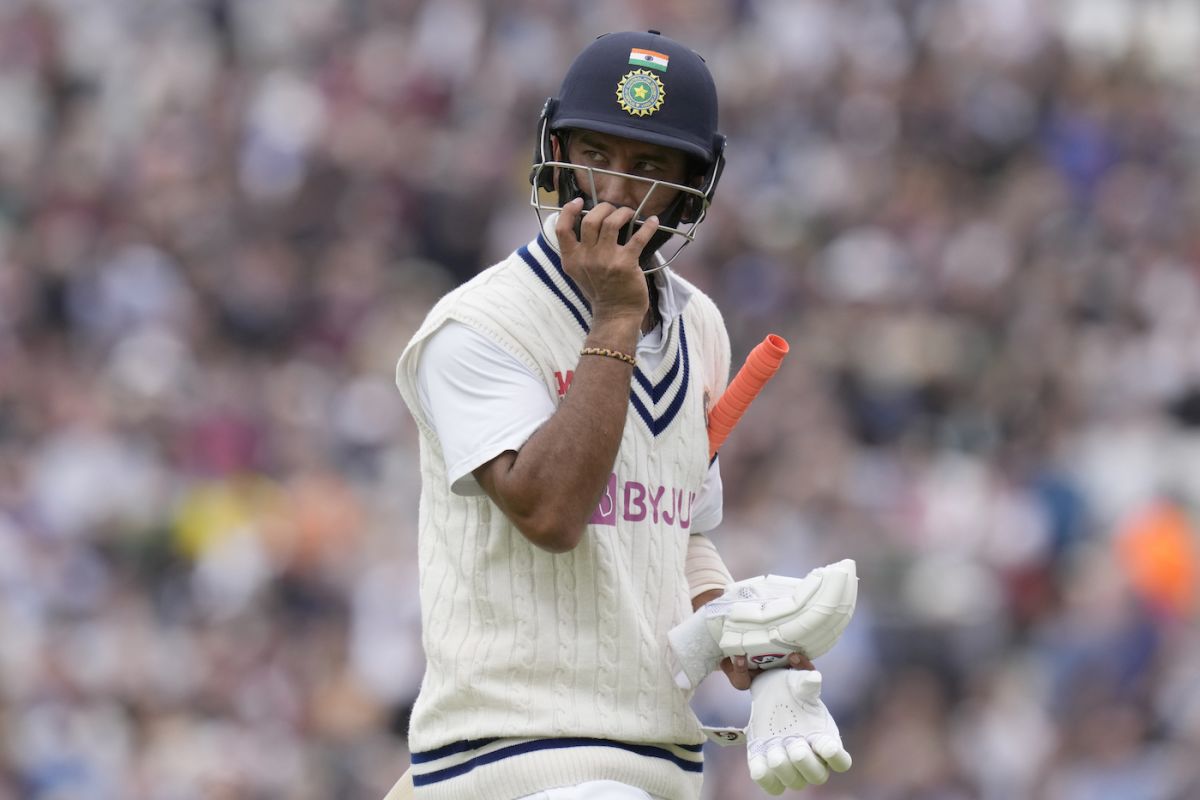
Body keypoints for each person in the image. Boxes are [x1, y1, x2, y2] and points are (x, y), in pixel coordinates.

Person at [391, 30, 852, 800]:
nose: (612, 192)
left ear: (689, 187)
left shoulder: (698, 324)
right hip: (507, 754)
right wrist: (613, 322)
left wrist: (741, 640)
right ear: (558, 150)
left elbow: (681, 530)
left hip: (660, 759)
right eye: (596, 153)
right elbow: (550, 511)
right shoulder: (480, 324)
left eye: (647, 168)